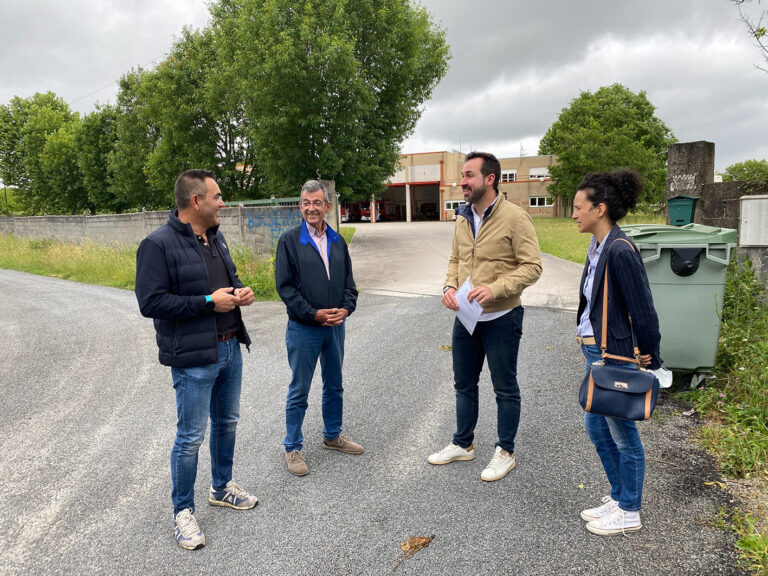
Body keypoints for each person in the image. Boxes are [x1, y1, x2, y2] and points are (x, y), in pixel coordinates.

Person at [135, 169, 258, 551]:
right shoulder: (157, 245)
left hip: (228, 348)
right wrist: (208, 302)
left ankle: (221, 487)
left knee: (227, 424)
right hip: (193, 357)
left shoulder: (215, 239)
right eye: (217, 196)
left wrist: (239, 293)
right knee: (190, 437)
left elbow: (225, 282)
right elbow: (150, 303)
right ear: (195, 201)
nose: (223, 203)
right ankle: (182, 511)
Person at [428, 152, 542, 482]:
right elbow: (455, 260)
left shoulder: (515, 217)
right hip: (466, 317)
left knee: (505, 388)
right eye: (461, 176)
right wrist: (449, 286)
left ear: (489, 179)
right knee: (464, 384)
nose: (461, 182)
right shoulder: (462, 217)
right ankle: (464, 443)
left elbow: (533, 267)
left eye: (468, 175)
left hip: (502, 317)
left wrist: (496, 289)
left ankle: (505, 451)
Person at [572, 169, 662, 536]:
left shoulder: (620, 250)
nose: (574, 213)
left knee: (623, 434)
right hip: (596, 352)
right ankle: (618, 494)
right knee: (596, 426)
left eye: (579, 207)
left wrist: (651, 357)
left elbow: (643, 309)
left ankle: (630, 511)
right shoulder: (598, 246)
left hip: (614, 355)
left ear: (601, 208)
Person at [275, 179, 361, 477]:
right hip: (304, 328)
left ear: (327, 206)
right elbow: (285, 288)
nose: (311, 208)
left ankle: (332, 435)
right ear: (300, 206)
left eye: (316, 203)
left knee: (334, 383)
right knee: (300, 388)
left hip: (335, 327)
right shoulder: (289, 241)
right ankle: (292, 446)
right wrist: (314, 314)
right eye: (305, 203)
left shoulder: (337, 241)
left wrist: (346, 309)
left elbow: (350, 285)